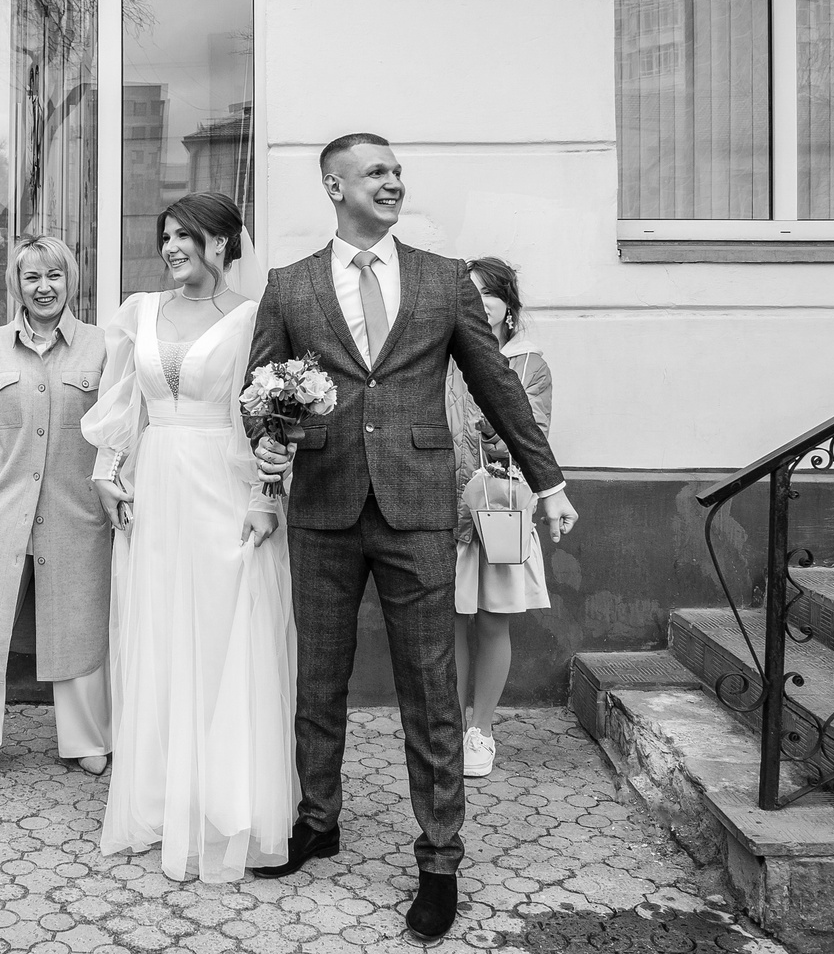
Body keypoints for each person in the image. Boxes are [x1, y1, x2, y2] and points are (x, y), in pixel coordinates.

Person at [247, 134, 576, 941]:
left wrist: (549, 481)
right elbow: (259, 390)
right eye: (376, 173)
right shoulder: (289, 285)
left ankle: (439, 857)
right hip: (323, 506)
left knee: (429, 688)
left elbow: (496, 385)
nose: (394, 182)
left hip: (419, 507)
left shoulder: (442, 278)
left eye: (397, 172)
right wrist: (265, 439)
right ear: (335, 186)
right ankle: (317, 820)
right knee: (318, 680)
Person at [82, 192, 300, 885]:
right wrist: (107, 472)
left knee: (224, 633)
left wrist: (266, 497)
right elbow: (123, 405)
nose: (172, 247)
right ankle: (159, 799)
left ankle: (226, 801)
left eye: (188, 235)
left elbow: (269, 418)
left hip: (223, 491)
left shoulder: (253, 317)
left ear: (223, 243)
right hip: (155, 491)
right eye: (167, 234)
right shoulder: (140, 311)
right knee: (159, 630)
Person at [0, 235, 111, 773]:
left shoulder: (101, 347)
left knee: (79, 620)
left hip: (75, 510)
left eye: (54, 275)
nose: (44, 287)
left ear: (71, 280)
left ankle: (87, 738)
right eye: (32, 277)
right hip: (1, 506)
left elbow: (120, 432)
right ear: (16, 285)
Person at [448, 258, 556, 780]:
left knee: (492, 621)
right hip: (444, 508)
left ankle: (481, 730)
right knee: (448, 621)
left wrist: (494, 424)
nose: (480, 303)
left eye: (489, 293)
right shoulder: (441, 357)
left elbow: (532, 436)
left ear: (509, 306)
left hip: (499, 511)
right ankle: (447, 728)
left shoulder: (529, 365)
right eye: (470, 294)